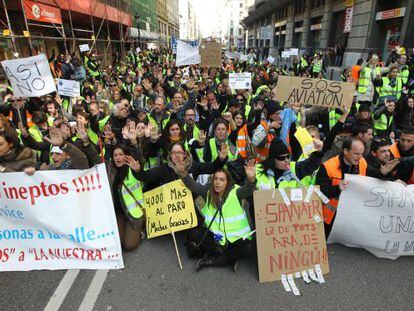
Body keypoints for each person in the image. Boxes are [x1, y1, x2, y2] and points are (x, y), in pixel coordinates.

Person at [176, 159, 257, 272]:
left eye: (222, 180)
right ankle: (230, 258)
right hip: (217, 237)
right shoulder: (208, 191)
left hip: (235, 238)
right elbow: (193, 185)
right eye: (216, 179)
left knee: (249, 247)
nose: (218, 182)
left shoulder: (236, 192)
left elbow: (248, 191)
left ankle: (213, 260)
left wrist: (251, 178)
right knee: (195, 234)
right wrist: (182, 172)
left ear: (227, 182)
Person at [316, 138, 367, 237]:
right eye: (356, 154)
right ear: (345, 151)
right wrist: (337, 188)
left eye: (362, 154)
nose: (359, 157)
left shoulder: (363, 163)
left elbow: (374, 178)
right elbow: (320, 192)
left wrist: (385, 175)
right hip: (330, 218)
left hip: (351, 215)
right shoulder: (328, 166)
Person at [107, 143, 144, 251]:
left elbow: (140, 161)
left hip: (134, 214)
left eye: (121, 154)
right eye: (115, 155)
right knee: (116, 243)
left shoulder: (133, 169)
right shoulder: (110, 170)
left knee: (129, 246)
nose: (118, 158)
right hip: (119, 213)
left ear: (126, 156)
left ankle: (141, 230)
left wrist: (134, 143)